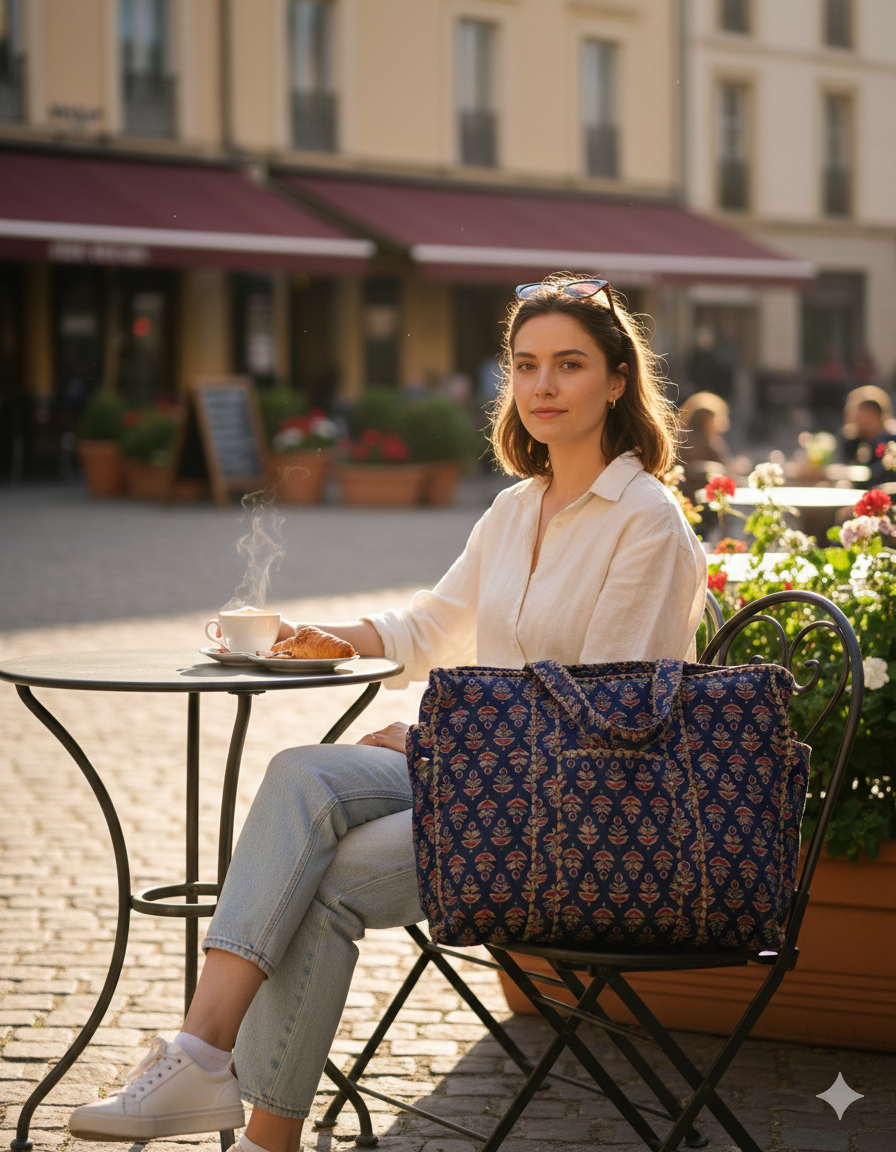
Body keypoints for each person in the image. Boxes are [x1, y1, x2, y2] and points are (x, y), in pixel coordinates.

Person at [69, 275, 708, 1152]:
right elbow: (431, 627)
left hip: (576, 814)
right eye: (526, 366)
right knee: (302, 772)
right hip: (484, 779)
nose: (543, 386)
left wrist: (437, 737)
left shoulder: (646, 519)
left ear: (617, 382)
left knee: (322, 883)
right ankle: (199, 1058)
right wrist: (314, 634)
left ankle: (264, 1137)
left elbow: (605, 710)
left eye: (569, 365)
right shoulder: (518, 507)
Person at [676, 391, 734, 501]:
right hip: (688, 495)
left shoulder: (714, 442)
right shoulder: (684, 440)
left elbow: (726, 467)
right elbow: (682, 468)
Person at [841, 385, 896, 488]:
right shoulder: (859, 442)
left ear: (873, 414)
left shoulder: (891, 441)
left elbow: (881, 475)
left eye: (858, 415)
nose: (853, 421)